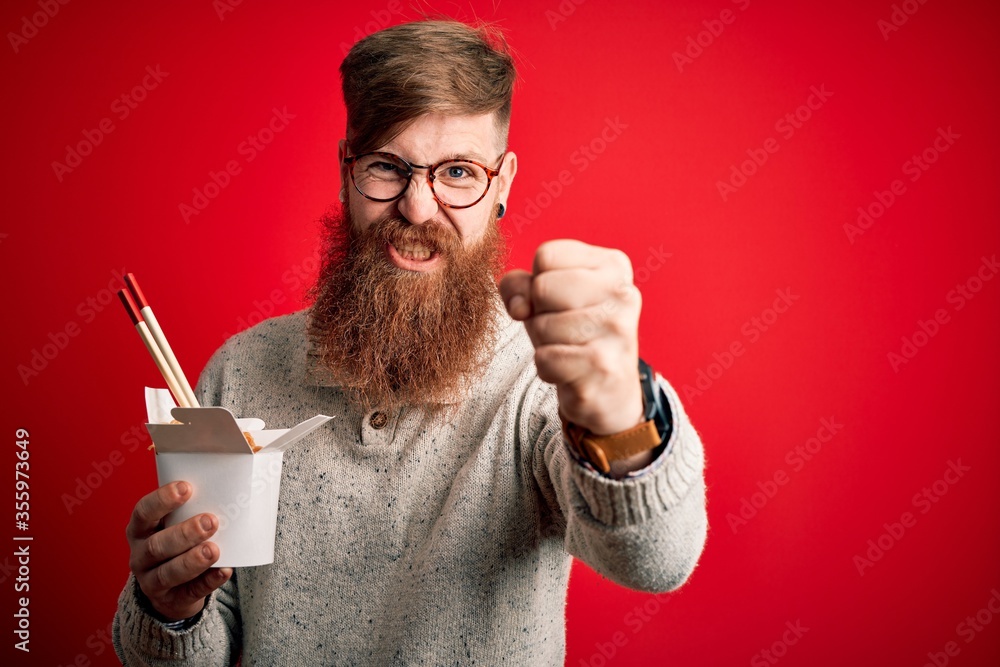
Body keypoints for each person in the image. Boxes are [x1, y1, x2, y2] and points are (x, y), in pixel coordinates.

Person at [113, 19, 707, 666]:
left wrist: (621, 410)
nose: (418, 208)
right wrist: (169, 608)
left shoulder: (541, 382)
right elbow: (201, 643)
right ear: (347, 170)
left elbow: (655, 559)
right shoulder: (239, 372)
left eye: (456, 171)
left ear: (501, 183)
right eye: (388, 167)